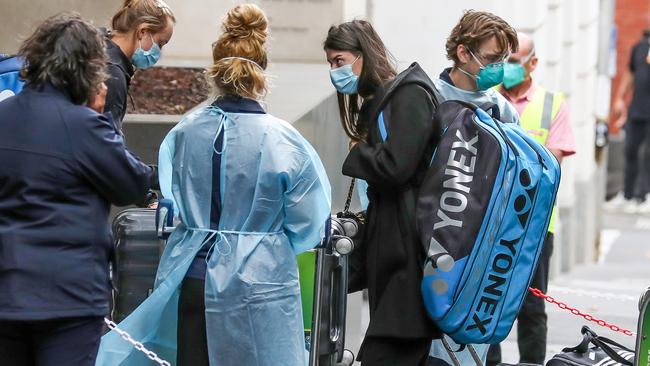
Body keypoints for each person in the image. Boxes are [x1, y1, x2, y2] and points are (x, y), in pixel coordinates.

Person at [96, 4, 331, 366]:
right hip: (259, 283)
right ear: (261, 72)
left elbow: (168, 199)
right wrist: (265, 240)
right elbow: (310, 222)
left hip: (191, 274)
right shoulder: (283, 140)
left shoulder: (186, 131)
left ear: (216, 71)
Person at [0, 13, 154, 366]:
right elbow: (131, 184)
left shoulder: (4, 116)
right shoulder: (84, 125)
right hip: (68, 296)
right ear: (86, 68)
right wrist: (99, 116)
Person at [325, 20, 441, 365]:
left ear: (364, 55)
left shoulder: (407, 95)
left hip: (409, 259)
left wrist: (357, 151)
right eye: (330, 63)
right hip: (394, 258)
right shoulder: (385, 100)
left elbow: (398, 165)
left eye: (339, 60)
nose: (335, 71)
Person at [427, 10, 520, 366]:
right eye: (493, 59)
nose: (499, 69)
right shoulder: (428, 101)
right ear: (464, 52)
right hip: (430, 248)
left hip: (480, 254)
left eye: (504, 60)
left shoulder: (502, 112)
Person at [487, 32, 576, 366]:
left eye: (512, 61)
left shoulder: (553, 104)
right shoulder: (486, 99)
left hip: (535, 228)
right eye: (500, 60)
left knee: (531, 306)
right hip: (489, 223)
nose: (504, 68)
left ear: (533, 63)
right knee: (486, 299)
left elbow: (550, 166)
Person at [105, 0, 175, 130]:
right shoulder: (112, 75)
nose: (159, 52)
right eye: (160, 43)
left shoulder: (99, 46)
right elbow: (105, 140)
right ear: (142, 32)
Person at [608, 29, 650, 213]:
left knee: (648, 154)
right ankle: (628, 194)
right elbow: (629, 73)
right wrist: (619, 98)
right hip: (637, 110)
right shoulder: (639, 48)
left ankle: (645, 195)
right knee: (630, 150)